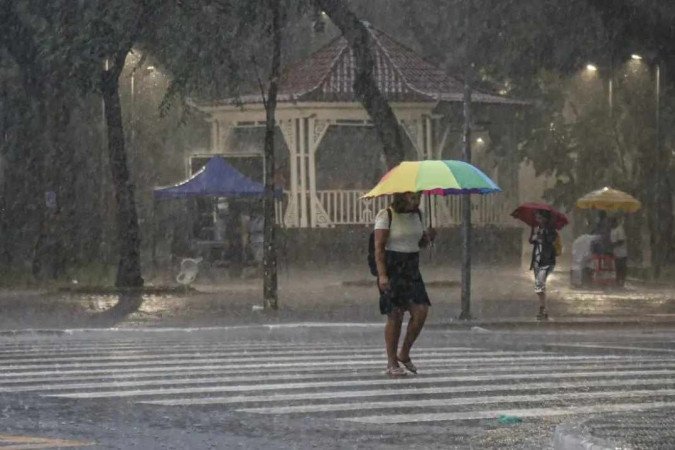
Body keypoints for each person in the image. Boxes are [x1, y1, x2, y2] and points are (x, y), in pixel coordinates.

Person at [374, 192, 435, 378]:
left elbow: (419, 243)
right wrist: (382, 275)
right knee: (395, 315)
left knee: (421, 311)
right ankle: (392, 362)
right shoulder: (386, 215)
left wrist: (428, 237)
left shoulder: (418, 215)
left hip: (412, 267)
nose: (416, 201)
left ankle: (404, 352)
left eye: (418, 197)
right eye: (412, 197)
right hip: (393, 266)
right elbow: (379, 247)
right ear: (401, 196)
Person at [529, 209, 558, 320]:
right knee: (539, 286)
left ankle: (543, 309)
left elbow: (551, 240)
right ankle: (543, 308)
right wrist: (534, 236)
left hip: (546, 261)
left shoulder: (550, 229)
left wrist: (541, 237)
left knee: (539, 284)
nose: (538, 220)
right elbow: (531, 241)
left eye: (540, 217)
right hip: (537, 260)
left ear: (545, 219)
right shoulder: (537, 228)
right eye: (537, 217)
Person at [610, 216, 628, 287]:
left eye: (612, 222)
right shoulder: (612, 230)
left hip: (622, 252)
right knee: (617, 268)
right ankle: (617, 282)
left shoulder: (620, 229)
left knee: (622, 267)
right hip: (616, 253)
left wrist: (614, 244)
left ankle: (622, 282)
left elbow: (621, 241)